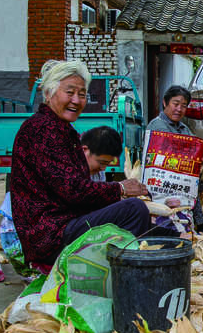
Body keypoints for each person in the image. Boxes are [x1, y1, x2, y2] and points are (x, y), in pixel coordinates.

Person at [10, 60, 151, 271]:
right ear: (49, 94)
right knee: (134, 210)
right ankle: (125, 280)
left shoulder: (61, 129)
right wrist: (120, 188)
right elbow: (72, 190)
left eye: (82, 94)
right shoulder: (42, 130)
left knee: (151, 225)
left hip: (65, 223)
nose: (76, 100)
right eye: (69, 92)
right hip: (50, 235)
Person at [146, 84, 203, 230]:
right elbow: (178, 151)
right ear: (165, 102)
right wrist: (200, 151)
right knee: (190, 177)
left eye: (184, 106)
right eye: (176, 104)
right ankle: (201, 223)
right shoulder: (157, 126)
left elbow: (194, 149)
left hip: (184, 176)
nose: (179, 109)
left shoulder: (183, 128)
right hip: (164, 182)